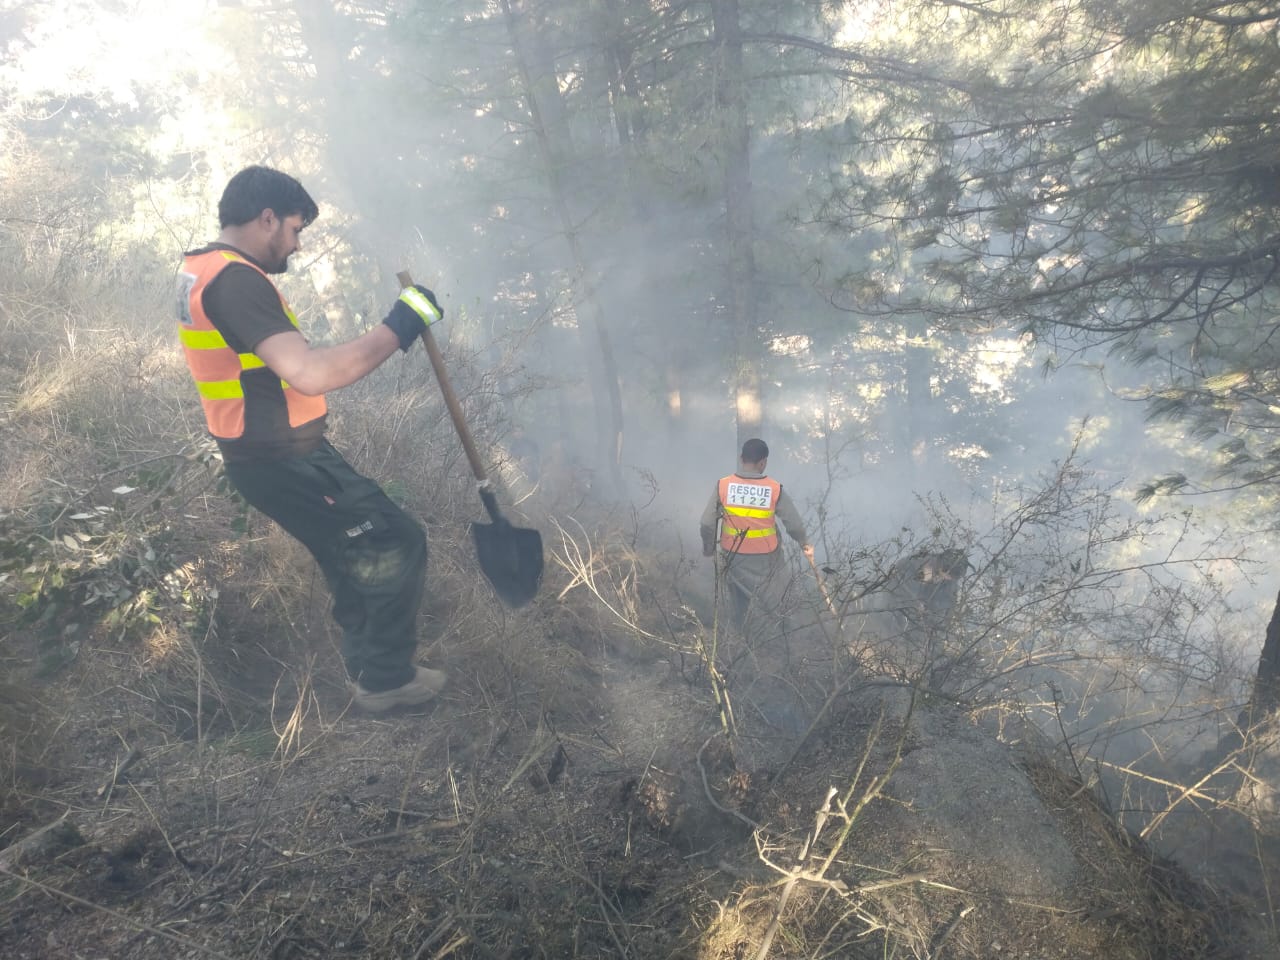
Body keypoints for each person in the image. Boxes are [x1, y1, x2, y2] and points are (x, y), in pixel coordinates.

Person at [176, 165, 448, 713]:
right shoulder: (236, 280)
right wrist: (402, 323)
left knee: (347, 547)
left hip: (266, 453)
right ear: (267, 217)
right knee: (397, 539)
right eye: (295, 230)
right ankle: (386, 681)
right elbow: (310, 373)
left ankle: (365, 668)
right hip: (282, 459)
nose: (296, 246)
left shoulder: (199, 268)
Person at [699, 438, 814, 631]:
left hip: (733, 557)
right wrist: (804, 543)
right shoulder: (774, 489)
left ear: (741, 458)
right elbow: (793, 524)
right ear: (763, 462)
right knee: (778, 601)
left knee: (739, 603)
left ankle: (742, 641)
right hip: (767, 559)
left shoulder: (723, 485)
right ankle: (785, 639)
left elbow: (706, 523)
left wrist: (708, 549)